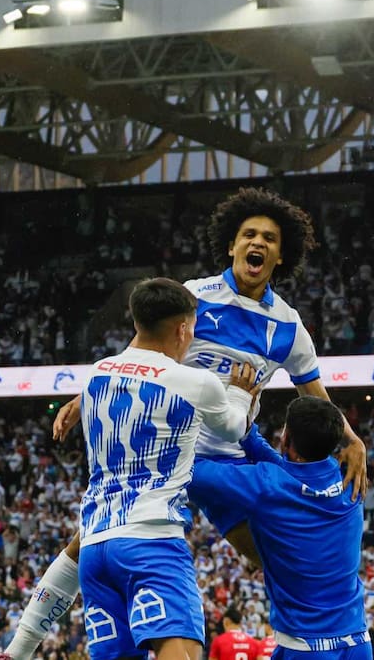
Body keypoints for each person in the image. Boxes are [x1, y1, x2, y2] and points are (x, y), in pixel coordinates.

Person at [0, 188, 368, 660]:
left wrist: (352, 440)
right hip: (171, 451)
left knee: (277, 562)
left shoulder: (288, 326)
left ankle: (313, 643)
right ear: (231, 245)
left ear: (280, 253)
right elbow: (138, 353)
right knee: (88, 539)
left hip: (228, 461)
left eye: (269, 237)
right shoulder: (195, 297)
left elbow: (315, 395)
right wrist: (81, 397)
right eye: (248, 234)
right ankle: (20, 647)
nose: (258, 242)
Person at [75, 278, 258, 660]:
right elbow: (234, 428)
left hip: (94, 546)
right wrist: (240, 393)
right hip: (150, 540)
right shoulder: (194, 381)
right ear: (183, 328)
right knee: (185, 653)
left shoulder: (95, 373)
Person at [188, 397, 370, 660]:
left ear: (286, 440)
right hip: (357, 641)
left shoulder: (266, 485)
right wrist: (246, 432)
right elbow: (290, 470)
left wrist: (232, 407)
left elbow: (190, 471)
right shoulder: (349, 475)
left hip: (306, 647)